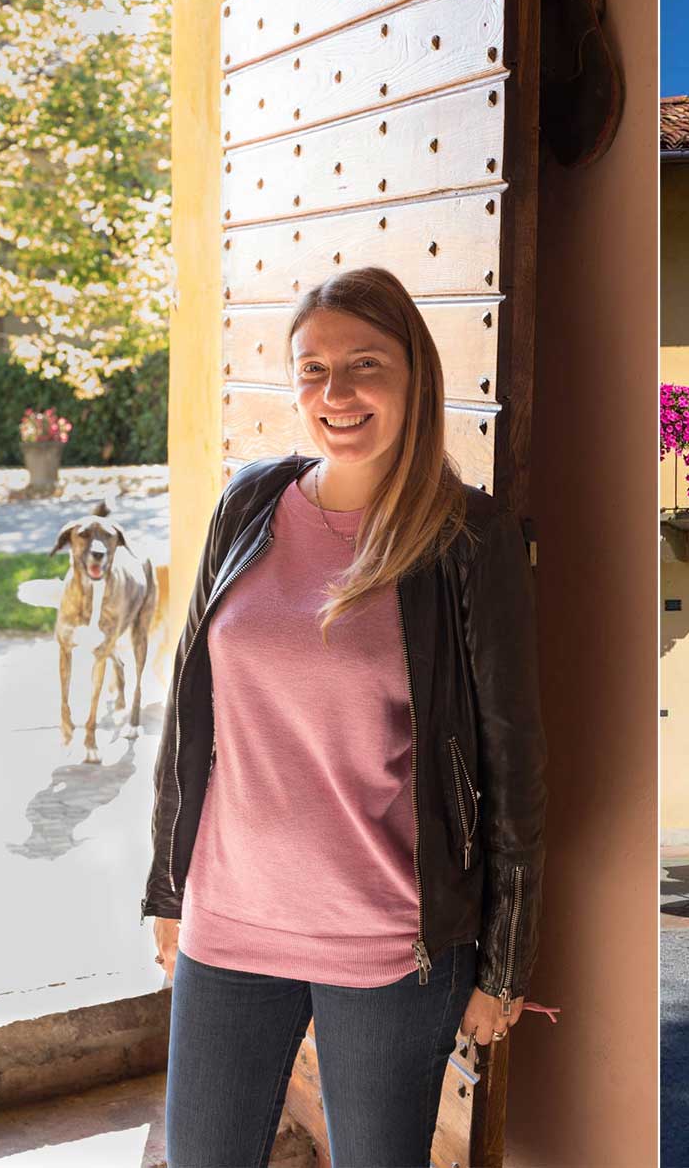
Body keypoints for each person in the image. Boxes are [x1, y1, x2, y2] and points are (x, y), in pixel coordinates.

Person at [138, 266, 548, 1166]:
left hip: (387, 942)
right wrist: (170, 884)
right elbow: (190, 707)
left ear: (415, 377)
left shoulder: (467, 540)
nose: (338, 392)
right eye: (314, 368)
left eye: (366, 364)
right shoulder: (249, 503)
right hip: (230, 921)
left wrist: (503, 966)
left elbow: (511, 761)